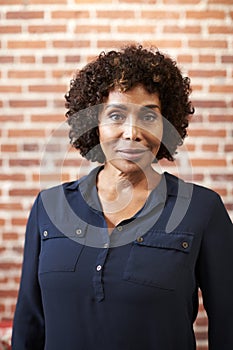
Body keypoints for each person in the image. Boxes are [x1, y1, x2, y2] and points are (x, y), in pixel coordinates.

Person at [12, 44, 233, 350]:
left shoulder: (202, 210)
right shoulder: (49, 208)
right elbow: (29, 327)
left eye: (149, 117)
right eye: (116, 115)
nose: (132, 132)